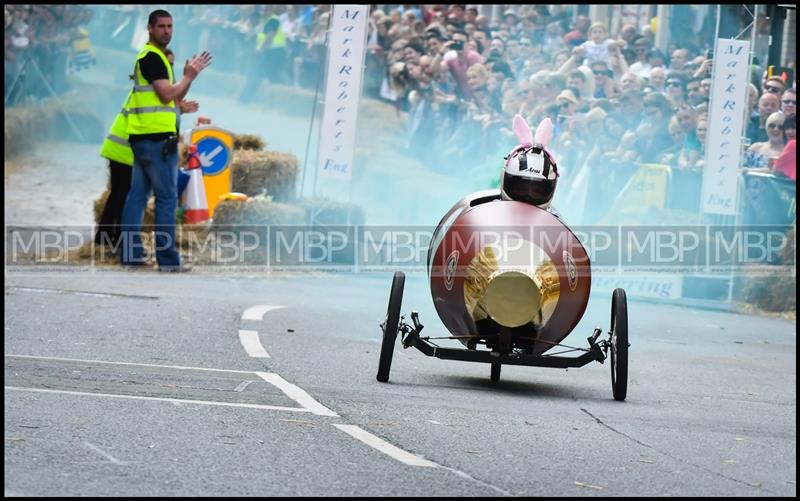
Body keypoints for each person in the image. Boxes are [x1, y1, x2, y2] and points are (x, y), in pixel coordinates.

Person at [120, 9, 212, 272]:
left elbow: (173, 98)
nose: (167, 31)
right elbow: (166, 95)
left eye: (170, 26)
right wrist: (190, 76)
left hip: (145, 138)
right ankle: (168, 260)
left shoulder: (155, 57)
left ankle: (130, 254)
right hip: (157, 141)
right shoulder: (152, 58)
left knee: (137, 196)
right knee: (167, 198)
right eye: (161, 26)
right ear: (150, 28)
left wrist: (186, 78)